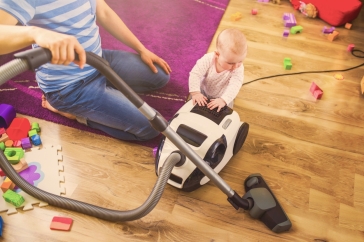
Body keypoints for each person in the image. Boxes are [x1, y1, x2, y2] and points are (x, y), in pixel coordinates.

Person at [0, 0, 171, 141]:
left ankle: (103, 99)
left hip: (98, 60)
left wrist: (141, 49)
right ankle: (75, 114)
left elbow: (103, 11)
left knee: (159, 75)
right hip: (70, 87)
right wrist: (34, 33)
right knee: (151, 127)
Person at [189, 28, 247, 112]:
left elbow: (235, 84)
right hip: (203, 90)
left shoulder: (238, 68)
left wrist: (224, 100)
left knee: (226, 112)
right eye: (230, 63)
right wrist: (195, 93)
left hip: (223, 95)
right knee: (191, 106)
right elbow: (195, 74)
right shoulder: (208, 59)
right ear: (217, 54)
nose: (235, 66)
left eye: (240, 61)